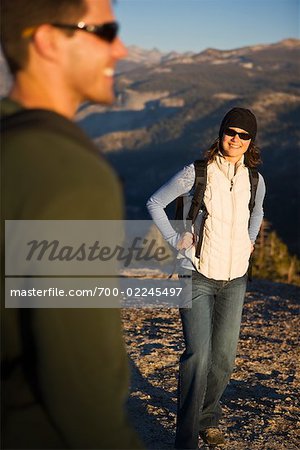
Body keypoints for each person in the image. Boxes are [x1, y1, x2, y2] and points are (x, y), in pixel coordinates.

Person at [0, 0, 142, 448]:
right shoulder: (69, 175)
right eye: (105, 31)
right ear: (47, 40)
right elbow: (85, 396)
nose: (120, 49)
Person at [147, 107, 266, 449]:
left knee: (225, 358)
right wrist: (175, 239)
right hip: (195, 274)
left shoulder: (254, 179)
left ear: (251, 140)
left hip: (235, 278)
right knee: (198, 355)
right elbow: (155, 202)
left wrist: (250, 240)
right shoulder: (198, 172)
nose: (237, 139)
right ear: (221, 133)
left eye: (245, 135)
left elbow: (256, 210)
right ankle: (185, 440)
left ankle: (207, 417)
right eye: (232, 132)